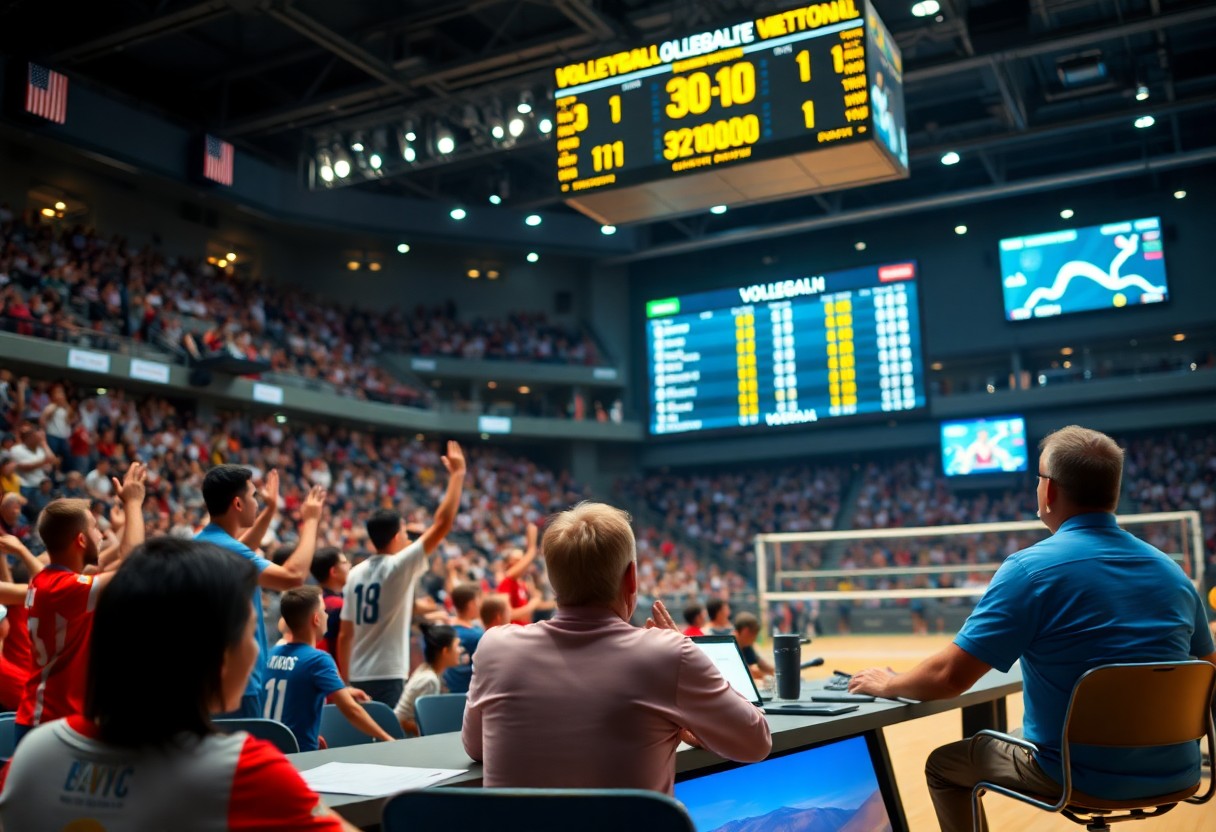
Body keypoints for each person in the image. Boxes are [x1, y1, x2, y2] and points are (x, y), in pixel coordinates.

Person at [849, 426, 1216, 832]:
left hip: (1070, 775)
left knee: (944, 766)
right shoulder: (1173, 573)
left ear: (1049, 492)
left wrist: (889, 683)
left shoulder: (1030, 571)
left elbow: (949, 677)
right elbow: (1209, 671)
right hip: (1179, 771)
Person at [0, 537, 359, 831]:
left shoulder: (29, 759)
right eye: (251, 633)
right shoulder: (244, 771)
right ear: (214, 655)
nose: (255, 652)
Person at [463, 501, 771, 794]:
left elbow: (475, 747)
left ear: (552, 579)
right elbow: (756, 742)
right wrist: (686, 658)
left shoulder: (494, 646)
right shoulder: (668, 654)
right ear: (632, 578)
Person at [13, 462, 146, 746]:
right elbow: (135, 563)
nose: (101, 534)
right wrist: (134, 503)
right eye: (97, 528)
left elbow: (117, 563)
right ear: (82, 539)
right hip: (48, 724)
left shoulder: (49, 580)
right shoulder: (65, 589)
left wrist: (123, 529)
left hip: (54, 718)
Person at [339, 440, 465, 707]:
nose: (408, 540)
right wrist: (457, 475)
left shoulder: (354, 573)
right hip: (387, 674)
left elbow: (344, 635)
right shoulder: (398, 566)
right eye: (406, 534)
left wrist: (343, 682)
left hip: (356, 673)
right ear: (397, 537)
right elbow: (442, 523)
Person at [197, 466, 327, 718]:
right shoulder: (230, 551)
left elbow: (240, 549)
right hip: (240, 687)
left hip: (207, 683)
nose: (256, 502)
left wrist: (269, 511)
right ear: (237, 503)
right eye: (253, 496)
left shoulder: (200, 543)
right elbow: (292, 577)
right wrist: (311, 520)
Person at [266, 586, 393, 751]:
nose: (327, 615)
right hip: (301, 757)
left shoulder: (272, 654)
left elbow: (292, 690)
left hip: (272, 751)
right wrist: (387, 739)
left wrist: (342, 691)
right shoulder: (318, 660)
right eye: (324, 611)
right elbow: (351, 710)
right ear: (316, 619)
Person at [395, 622, 460, 736]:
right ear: (445, 651)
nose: (460, 650)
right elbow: (403, 720)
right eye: (457, 646)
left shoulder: (426, 670)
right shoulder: (429, 681)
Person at [495, 522, 549, 624]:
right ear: (509, 564)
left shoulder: (523, 583)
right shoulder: (505, 581)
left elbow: (536, 604)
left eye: (523, 559)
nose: (524, 563)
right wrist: (531, 549)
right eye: (518, 560)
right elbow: (508, 614)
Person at [309, 546, 350, 667]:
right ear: (333, 572)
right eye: (344, 562)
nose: (349, 565)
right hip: (333, 670)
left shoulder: (312, 599)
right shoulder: (338, 604)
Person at [444, 581, 484, 694]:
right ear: (471, 604)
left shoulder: (447, 627)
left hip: (449, 690)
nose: (480, 604)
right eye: (478, 600)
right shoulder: (476, 634)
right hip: (468, 692)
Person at [733, 612, 775, 681]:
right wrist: (765, 676)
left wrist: (777, 672)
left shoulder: (746, 645)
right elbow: (746, 671)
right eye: (754, 635)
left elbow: (761, 664)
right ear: (745, 632)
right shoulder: (729, 647)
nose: (755, 639)